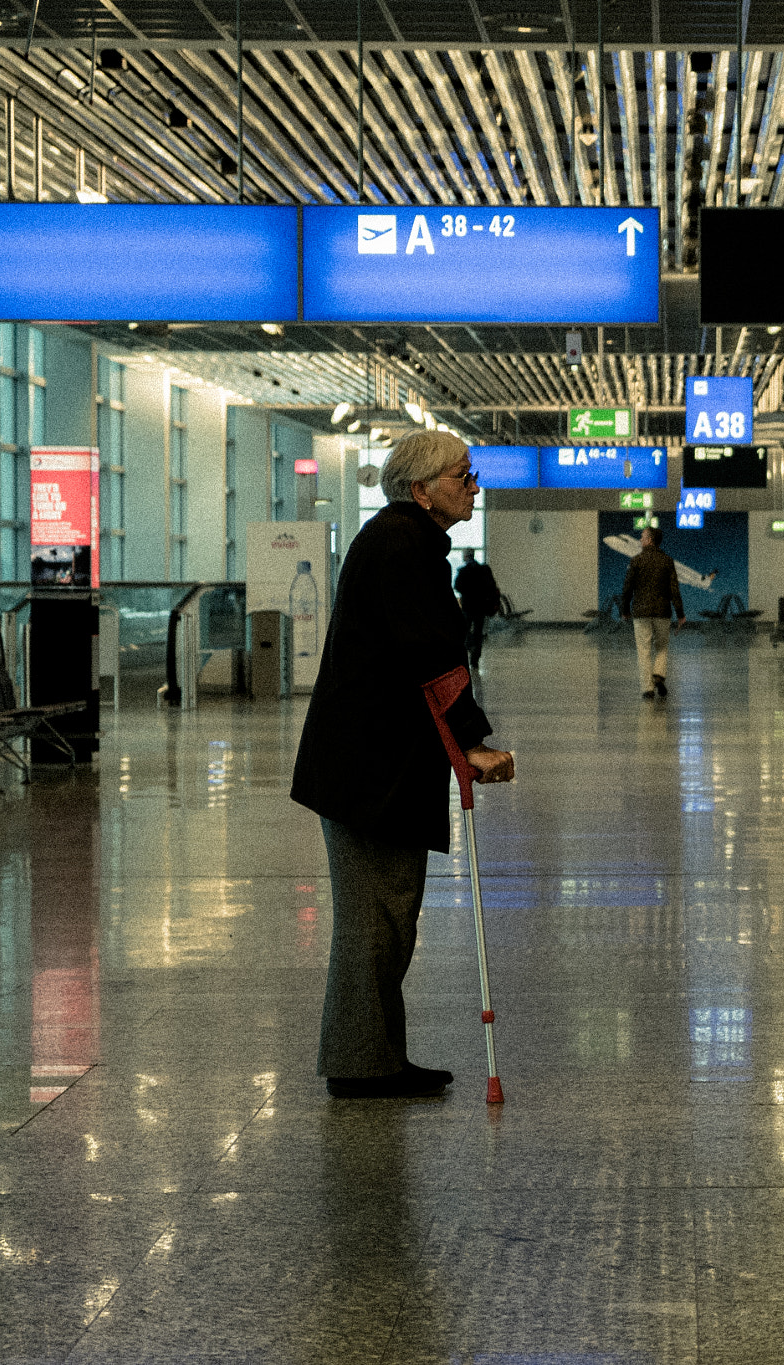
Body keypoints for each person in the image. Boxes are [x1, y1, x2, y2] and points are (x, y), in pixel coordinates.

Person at [291, 430, 516, 1099]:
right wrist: (473, 740)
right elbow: (431, 654)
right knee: (374, 921)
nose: (472, 485)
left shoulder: (406, 542)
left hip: (373, 762)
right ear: (421, 489)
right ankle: (362, 1063)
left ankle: (374, 1054)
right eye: (461, 475)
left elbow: (431, 652)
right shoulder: (399, 546)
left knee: (386, 916)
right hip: (367, 768)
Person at [620, 525, 686, 700]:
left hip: (641, 612)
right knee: (662, 647)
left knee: (643, 650)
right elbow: (674, 590)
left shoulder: (636, 561)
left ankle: (648, 689)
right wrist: (680, 614)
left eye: (642, 537)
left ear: (650, 540)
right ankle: (658, 674)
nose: (640, 540)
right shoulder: (667, 561)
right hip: (662, 612)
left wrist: (624, 610)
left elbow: (627, 588)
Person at [453, 548, 502, 673]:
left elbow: (457, 586)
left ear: (465, 556)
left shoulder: (464, 571)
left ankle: (469, 646)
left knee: (464, 630)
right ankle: (475, 658)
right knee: (478, 631)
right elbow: (491, 585)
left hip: (468, 606)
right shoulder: (484, 570)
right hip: (481, 606)